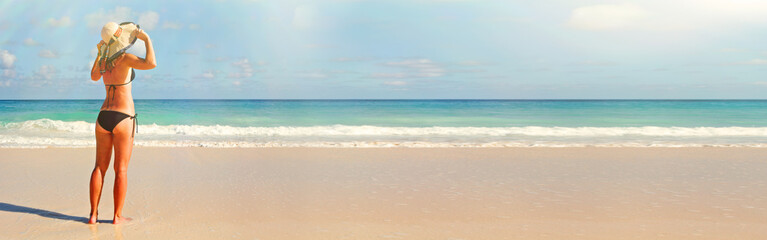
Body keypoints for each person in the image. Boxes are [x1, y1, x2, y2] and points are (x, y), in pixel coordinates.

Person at [88, 21, 156, 224]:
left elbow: (93, 77)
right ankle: (117, 217)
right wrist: (147, 40)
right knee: (122, 169)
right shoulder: (125, 58)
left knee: (99, 167)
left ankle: (93, 215)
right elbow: (151, 63)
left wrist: (100, 53)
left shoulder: (104, 62)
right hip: (123, 117)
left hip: (103, 117)